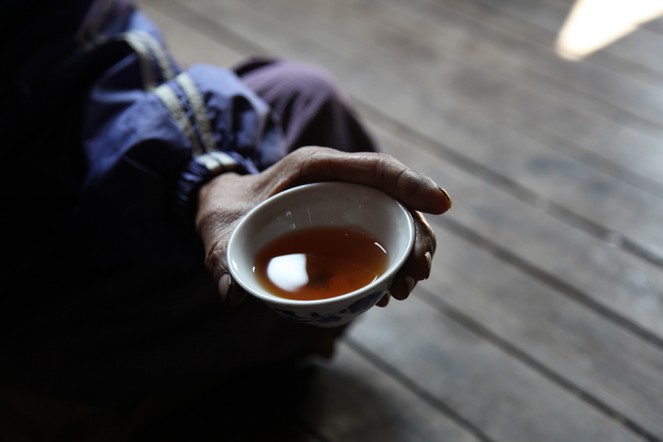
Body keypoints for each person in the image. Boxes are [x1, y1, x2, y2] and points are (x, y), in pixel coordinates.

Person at [0, 0, 451, 436]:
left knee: (307, 101)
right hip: (33, 292)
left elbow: (91, 59)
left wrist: (209, 175)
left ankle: (149, 371)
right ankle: (67, 395)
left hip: (70, 198)